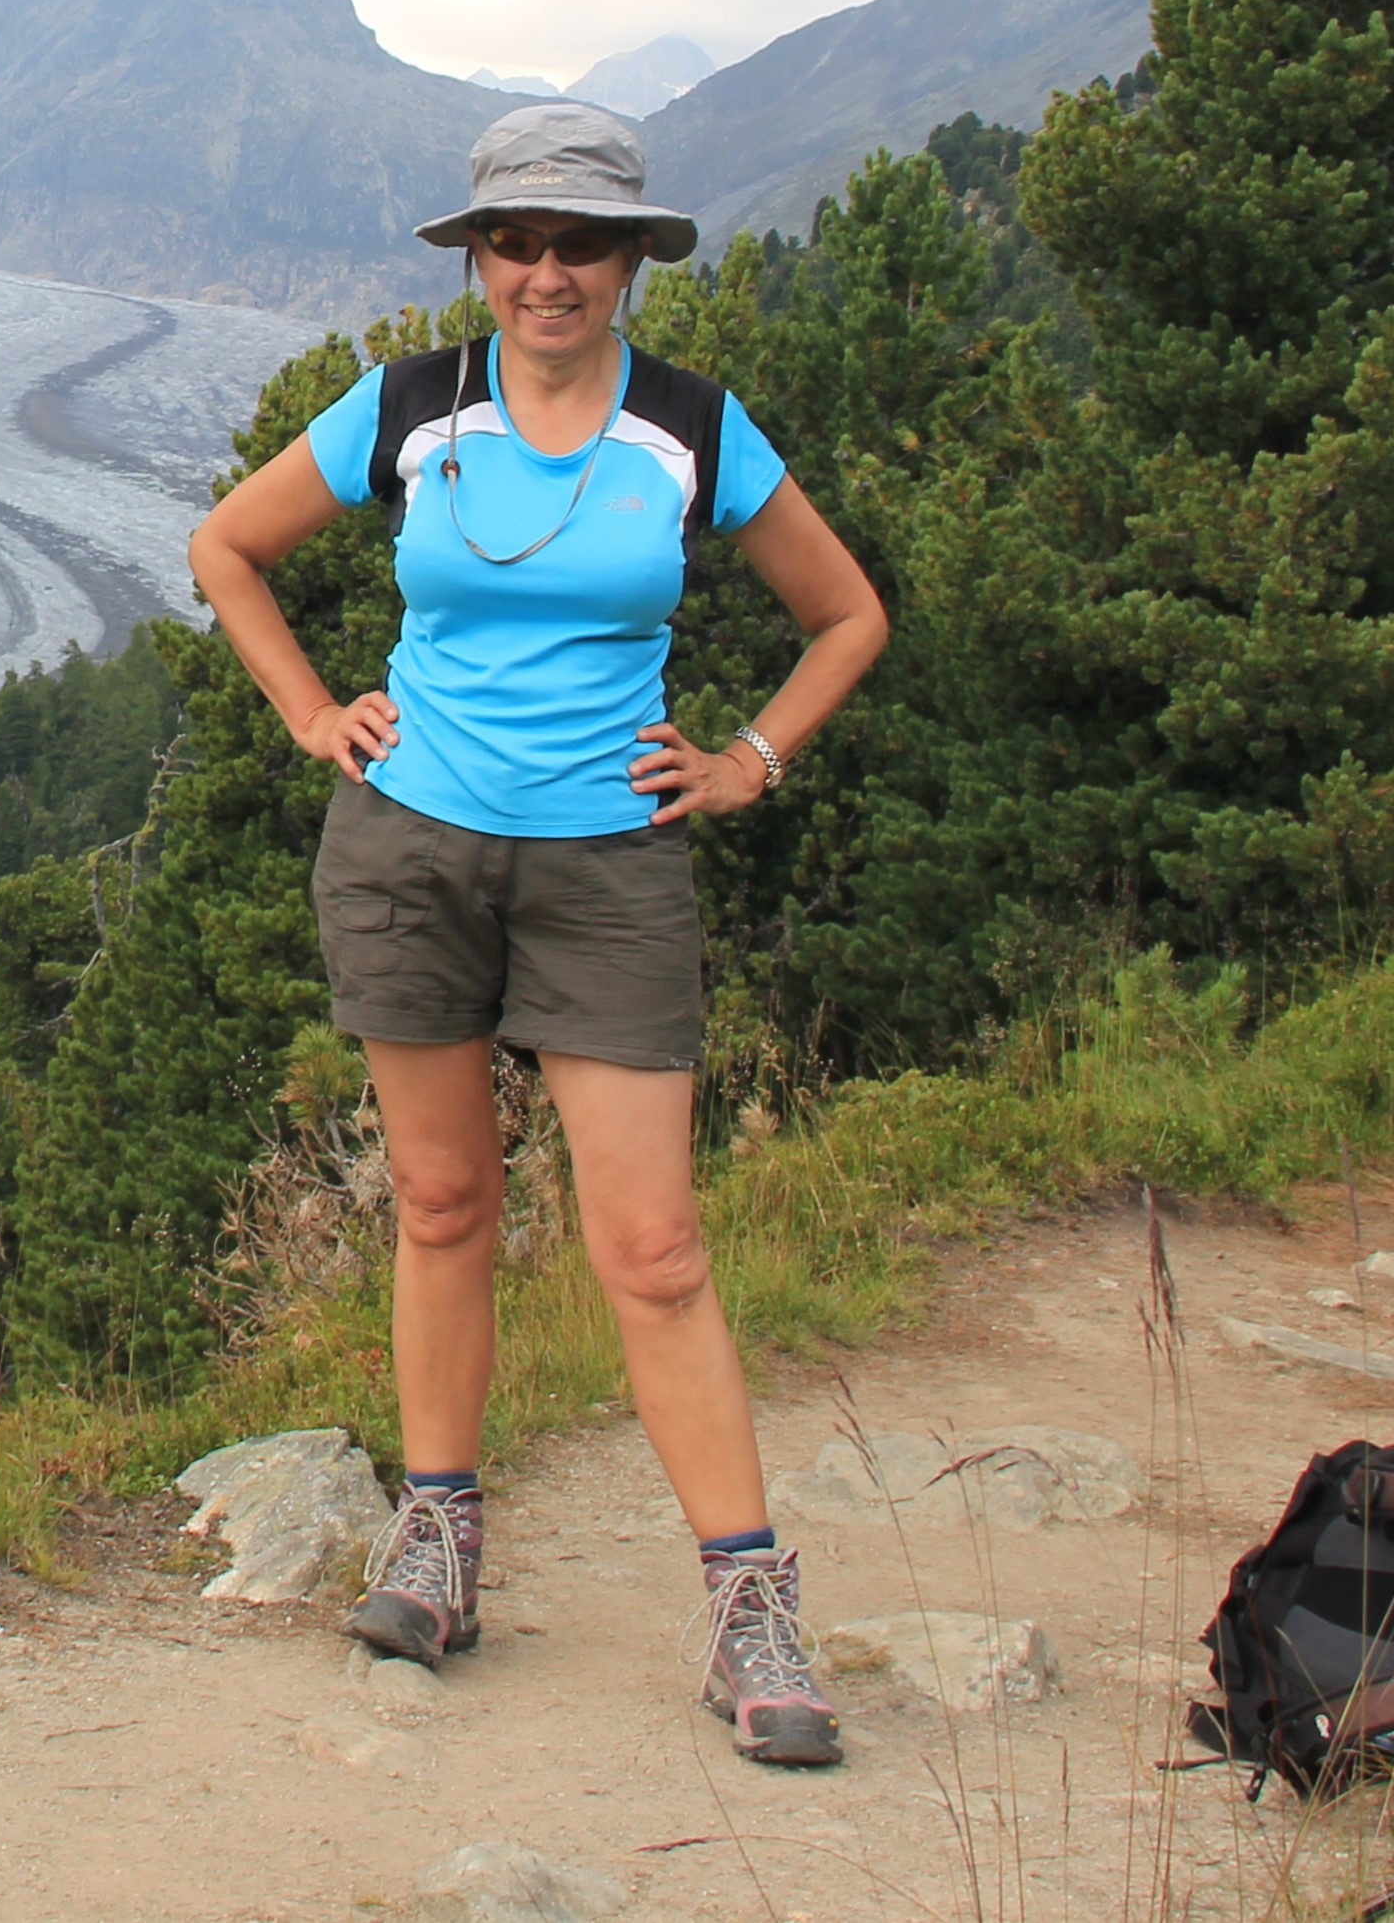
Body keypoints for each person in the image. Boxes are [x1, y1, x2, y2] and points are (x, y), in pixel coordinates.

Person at [182, 99, 888, 1768]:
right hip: (410, 844)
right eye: (519, 240)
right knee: (440, 1202)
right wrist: (310, 714)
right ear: (479, 256)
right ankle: (438, 1538)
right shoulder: (414, 408)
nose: (549, 273)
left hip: (607, 867)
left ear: (634, 260)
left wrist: (747, 760)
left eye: (584, 243)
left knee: (651, 1248)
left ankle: (750, 1603)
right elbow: (228, 545)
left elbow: (849, 611)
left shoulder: (693, 429)